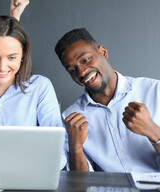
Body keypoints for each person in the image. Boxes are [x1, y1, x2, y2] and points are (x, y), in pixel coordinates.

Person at [0, 15, 66, 168]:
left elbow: (58, 151)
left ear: (23, 56)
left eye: (12, 57)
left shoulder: (40, 87)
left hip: (30, 172)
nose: (2, 67)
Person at [54, 28, 160, 172]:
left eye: (85, 60)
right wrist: (75, 148)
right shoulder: (70, 119)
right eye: (72, 70)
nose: (82, 72)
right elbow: (80, 185)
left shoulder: (154, 91)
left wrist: (153, 131)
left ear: (103, 52)